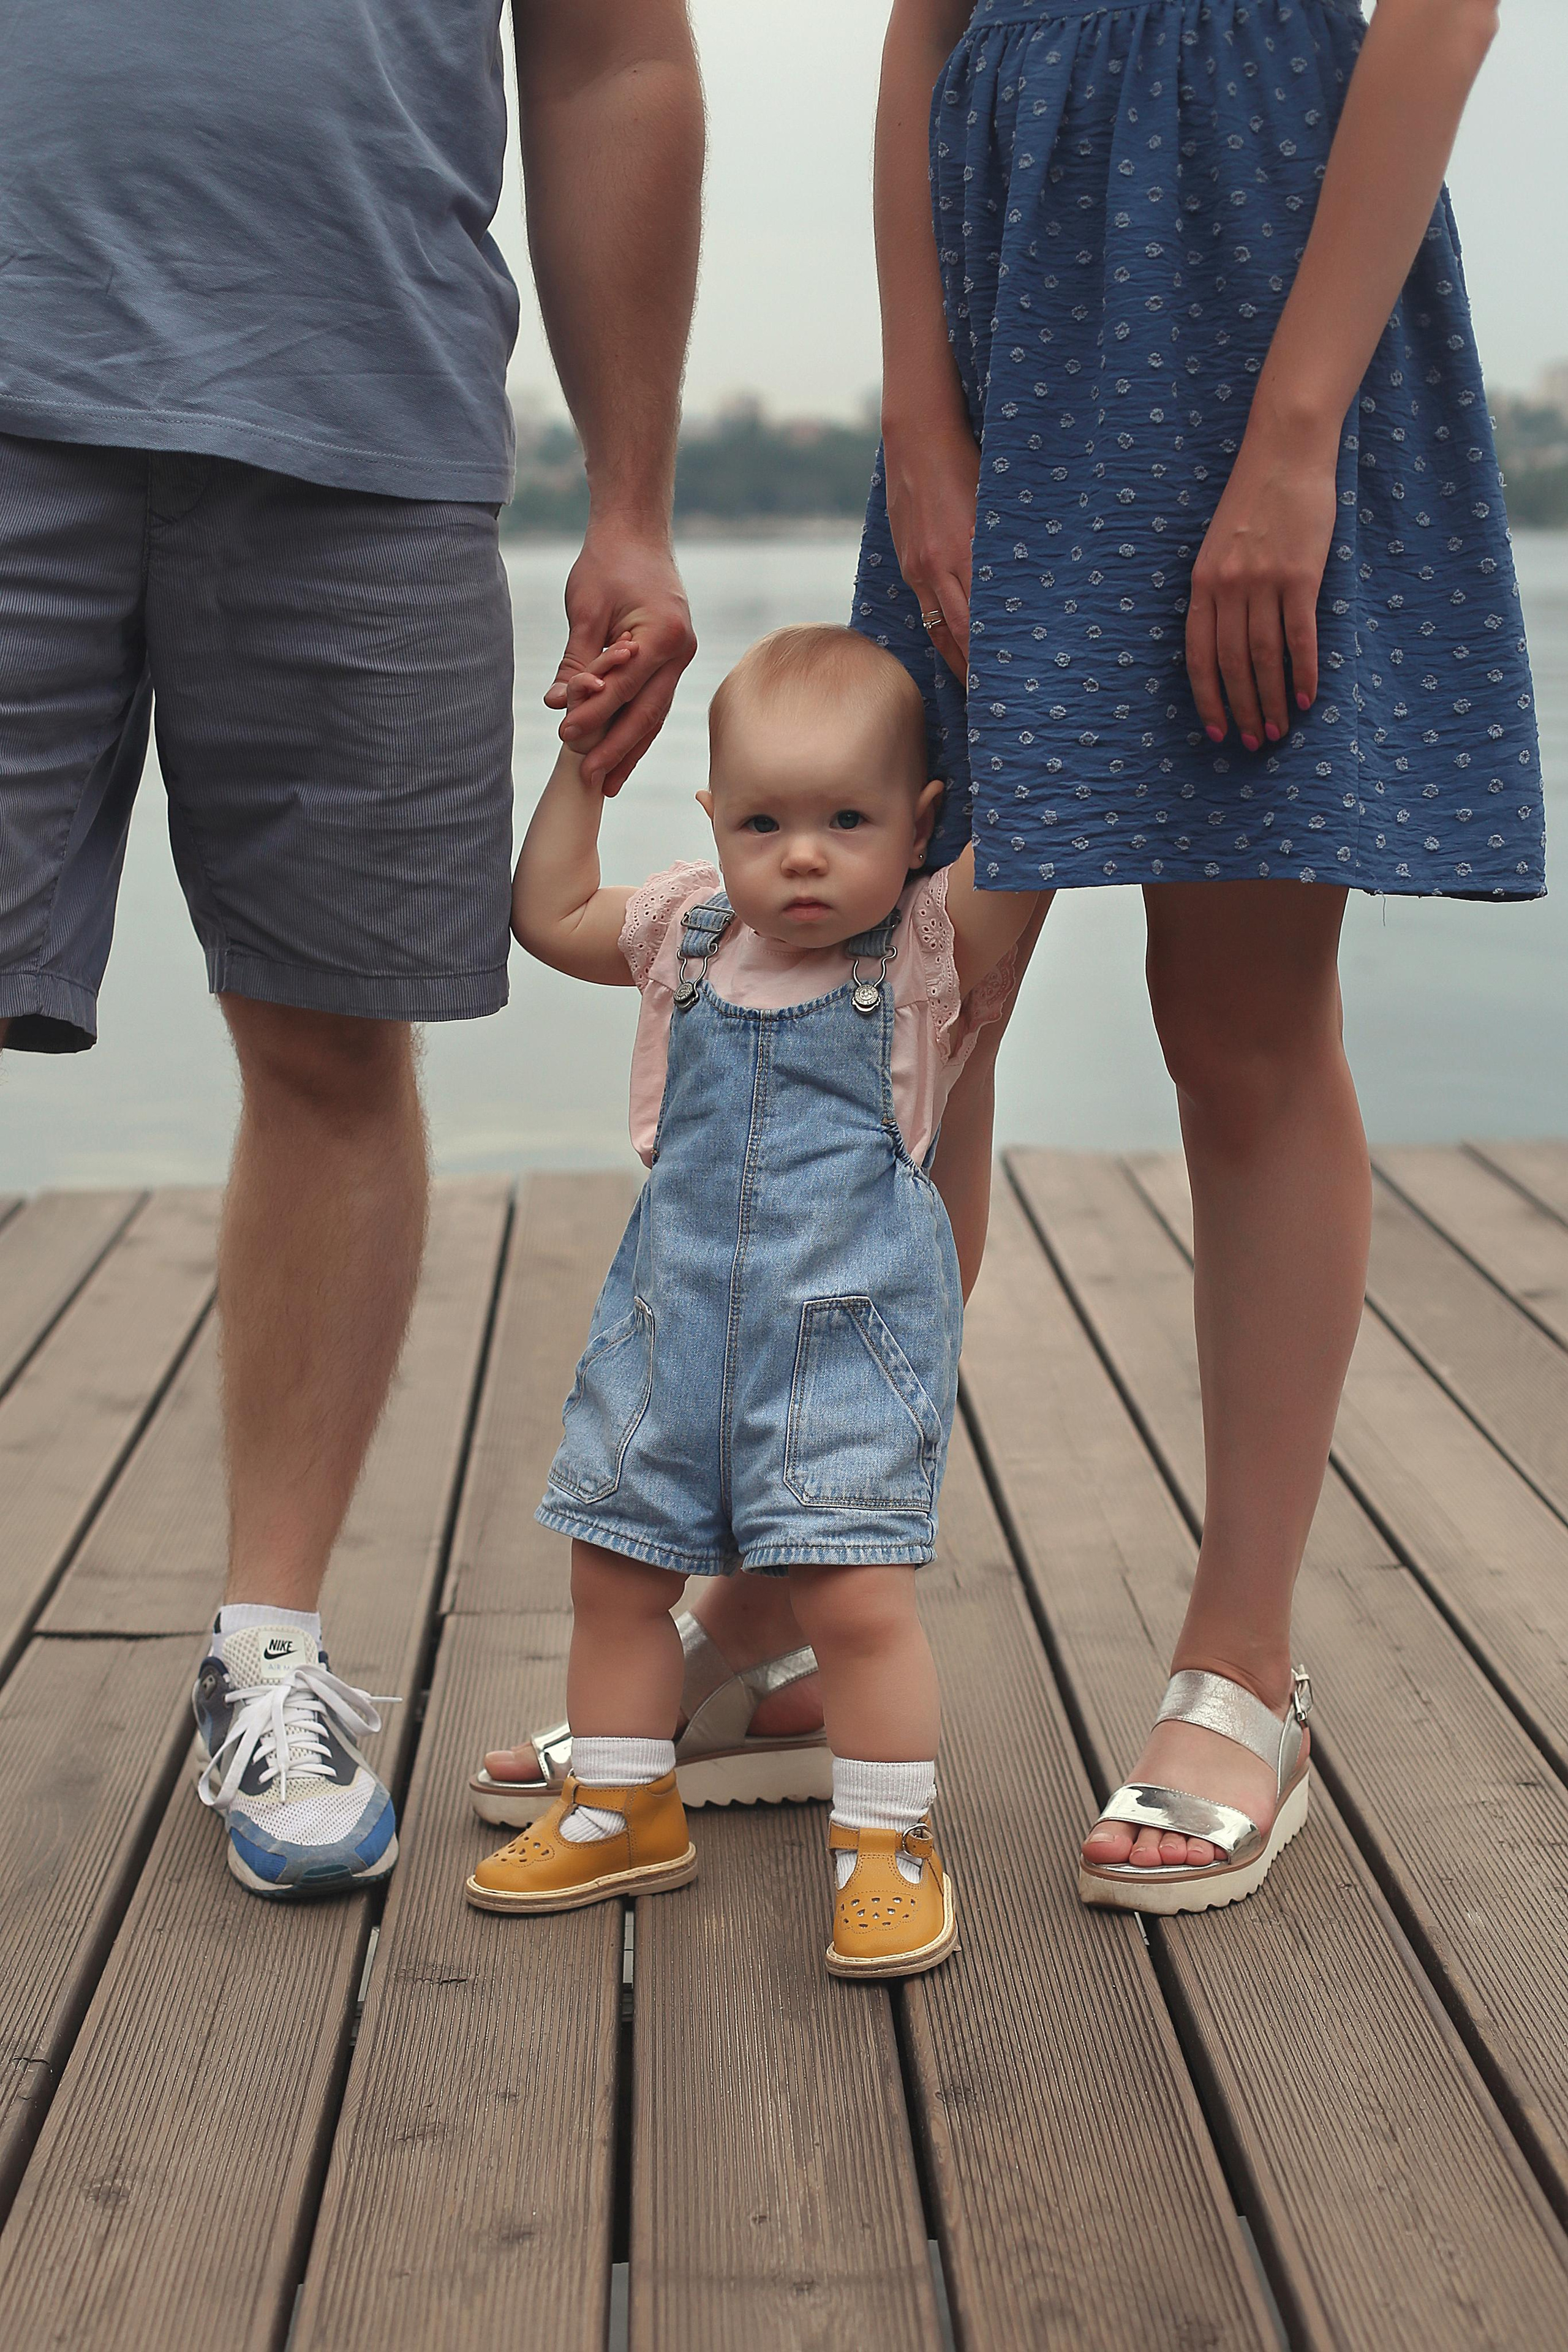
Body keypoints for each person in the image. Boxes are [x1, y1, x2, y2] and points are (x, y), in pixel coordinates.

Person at [0, 2, 703, 1896]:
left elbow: (613, 57)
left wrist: (628, 501)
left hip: (366, 419)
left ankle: (270, 1652)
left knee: (328, 1047)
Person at [850, 0, 1542, 1910]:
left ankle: (1244, 1660)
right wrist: (917, 407)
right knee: (907, 995)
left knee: (1236, 1020)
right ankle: (800, 1593)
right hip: (1008, 277)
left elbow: (1447, 13)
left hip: (1260, 261)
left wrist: (1299, 435)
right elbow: (920, 32)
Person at [465, 626, 1039, 1977]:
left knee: (851, 1602)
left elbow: (1027, 848)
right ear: (713, 822)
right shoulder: (683, 935)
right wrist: (581, 766)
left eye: (847, 819)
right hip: (666, 1340)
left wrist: (1024, 688)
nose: (802, 855)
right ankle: (620, 1803)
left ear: (917, 828)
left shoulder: (917, 961)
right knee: (612, 1570)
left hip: (842, 1352)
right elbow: (546, 914)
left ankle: (886, 1840)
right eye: (764, 820)